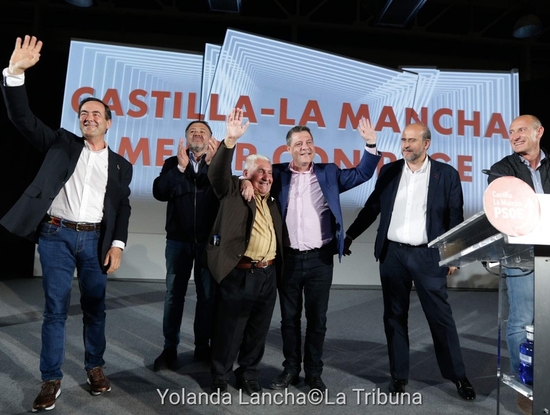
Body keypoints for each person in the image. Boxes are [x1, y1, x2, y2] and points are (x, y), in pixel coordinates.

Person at [0, 36, 133, 412]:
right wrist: (15, 74)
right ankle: (51, 380)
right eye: (83, 114)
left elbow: (122, 208)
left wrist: (117, 245)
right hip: (56, 235)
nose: (88, 118)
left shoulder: (122, 164)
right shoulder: (60, 143)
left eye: (96, 115)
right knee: (55, 310)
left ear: (108, 122)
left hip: (94, 242)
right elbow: (22, 119)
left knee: (95, 308)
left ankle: (95, 368)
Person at [344, 122, 476, 401]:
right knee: (394, 317)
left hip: (428, 256)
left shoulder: (446, 174)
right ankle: (398, 376)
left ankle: (458, 375)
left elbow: (455, 217)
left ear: (426, 144)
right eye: (404, 139)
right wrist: (351, 235)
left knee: (440, 317)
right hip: (393, 255)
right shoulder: (390, 171)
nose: (406, 144)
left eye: (412, 140)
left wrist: (454, 255)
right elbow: (373, 207)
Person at [268, 119, 381, 392]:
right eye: (299, 144)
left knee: (317, 319)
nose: (305, 147)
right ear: (288, 149)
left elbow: (362, 174)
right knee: (289, 319)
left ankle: (314, 373)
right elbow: (250, 181)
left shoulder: (329, 172)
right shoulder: (277, 174)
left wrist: (370, 144)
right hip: (289, 260)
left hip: (320, 259)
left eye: (309, 142)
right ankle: (291, 369)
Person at [488, 114, 550, 415]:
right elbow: (508, 210)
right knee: (521, 320)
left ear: (539, 132)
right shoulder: (501, 170)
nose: (515, 135)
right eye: (511, 131)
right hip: (522, 254)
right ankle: (527, 387)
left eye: (521, 130)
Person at [206, 108, 283, 396]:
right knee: (229, 329)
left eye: (270, 172)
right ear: (246, 173)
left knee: (257, 330)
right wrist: (229, 141)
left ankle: (248, 372)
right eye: (260, 171)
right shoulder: (235, 192)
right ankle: (220, 376)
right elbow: (217, 175)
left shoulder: (273, 200)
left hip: (268, 274)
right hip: (240, 274)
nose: (266, 176)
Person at [151, 120, 219, 370]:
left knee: (207, 297)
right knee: (173, 296)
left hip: (208, 244)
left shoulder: (218, 164)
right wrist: (179, 168)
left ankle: (203, 348)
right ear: (186, 137)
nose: (197, 134)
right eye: (193, 131)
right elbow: (159, 191)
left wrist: (214, 166)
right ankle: (170, 349)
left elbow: (225, 194)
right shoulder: (173, 163)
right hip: (178, 242)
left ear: (211, 139)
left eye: (202, 131)